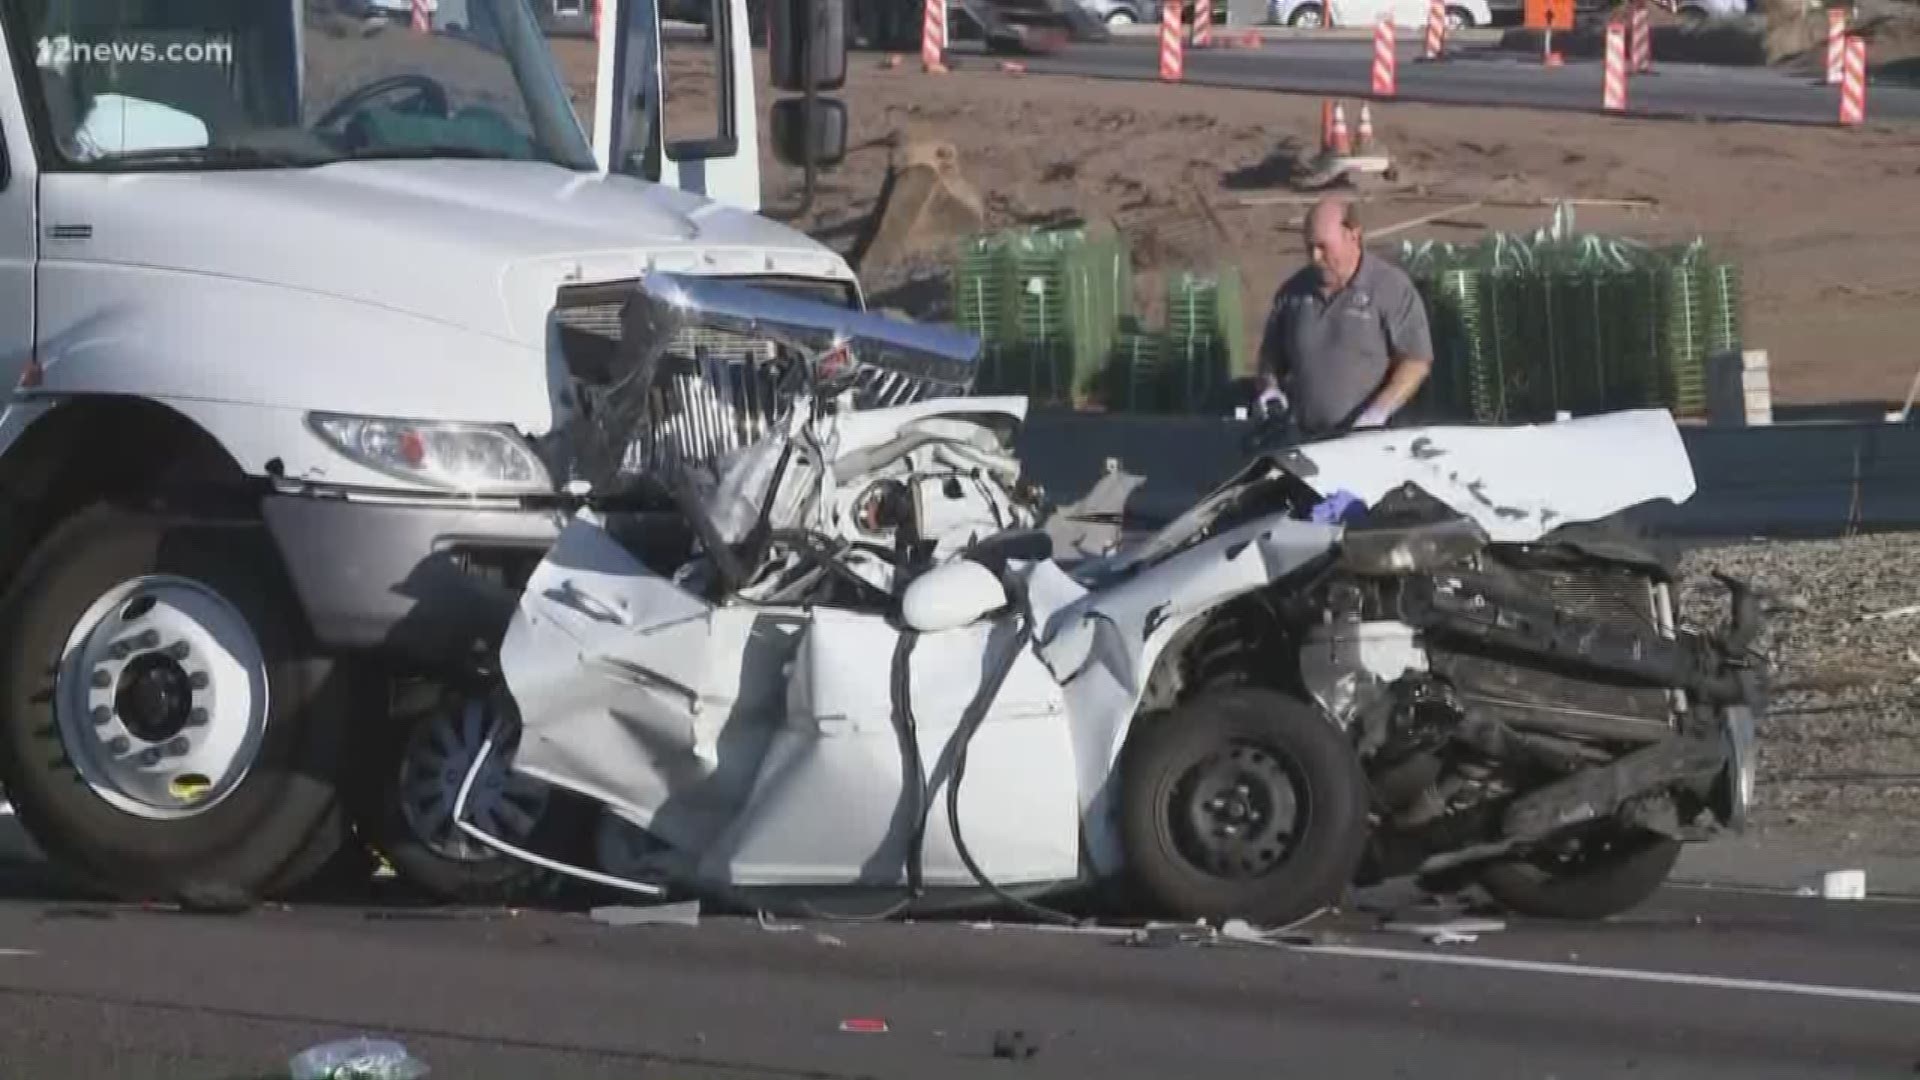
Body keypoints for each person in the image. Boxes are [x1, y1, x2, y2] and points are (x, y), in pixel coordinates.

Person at [1256, 196, 1435, 437]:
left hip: (1371, 442)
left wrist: (1377, 413)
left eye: (1323, 247)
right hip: (1307, 442)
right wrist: (1269, 388)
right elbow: (1270, 357)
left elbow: (1416, 362)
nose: (1315, 257)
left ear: (1353, 236)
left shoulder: (1390, 288)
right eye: (1309, 248)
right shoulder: (1294, 293)